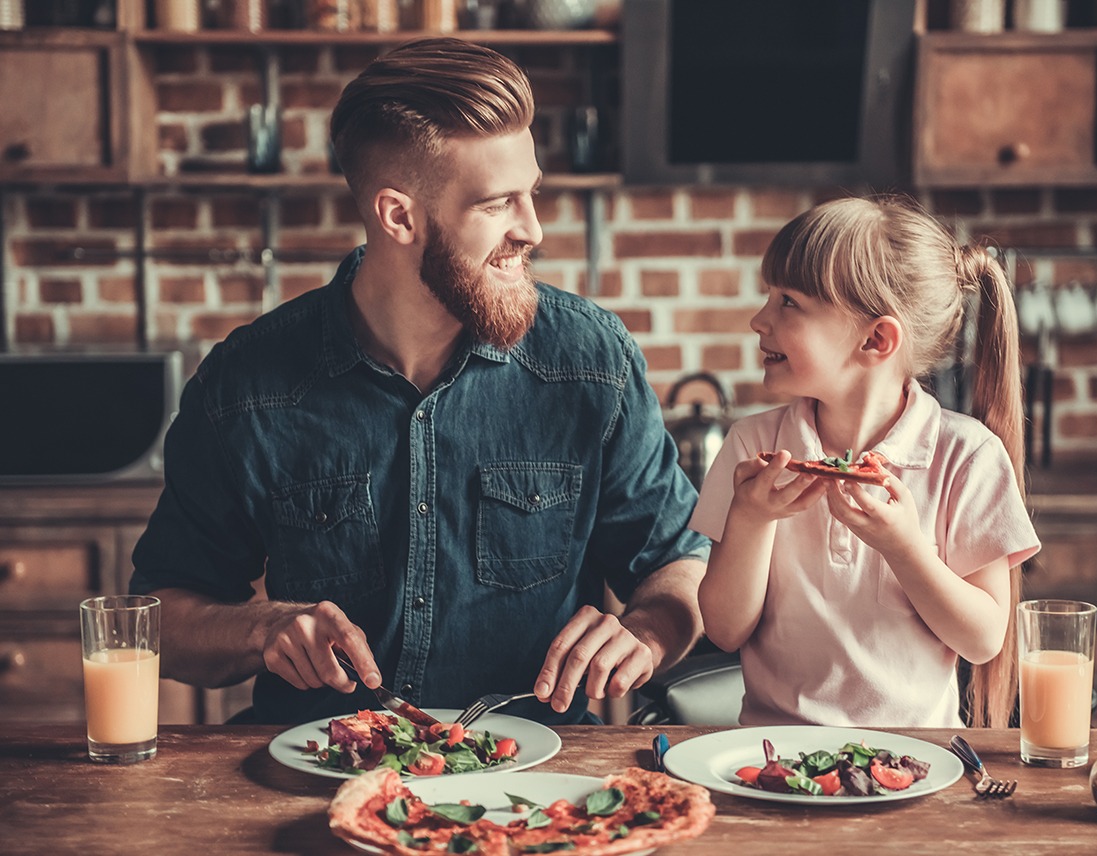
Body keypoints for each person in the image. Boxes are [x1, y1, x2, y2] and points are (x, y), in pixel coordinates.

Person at [129, 38, 708, 726]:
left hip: (540, 783)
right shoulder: (246, 383)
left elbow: (678, 565)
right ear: (398, 215)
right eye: (499, 204)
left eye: (533, 194)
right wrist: (263, 629)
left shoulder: (592, 359)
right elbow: (159, 616)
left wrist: (645, 633)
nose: (534, 228)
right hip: (320, 771)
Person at [690, 195, 1040, 728]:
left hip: (920, 762)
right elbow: (724, 630)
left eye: (789, 302)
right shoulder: (750, 447)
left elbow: (983, 639)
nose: (760, 319)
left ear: (876, 338)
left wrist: (904, 546)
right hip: (774, 759)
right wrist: (751, 518)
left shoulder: (966, 458)